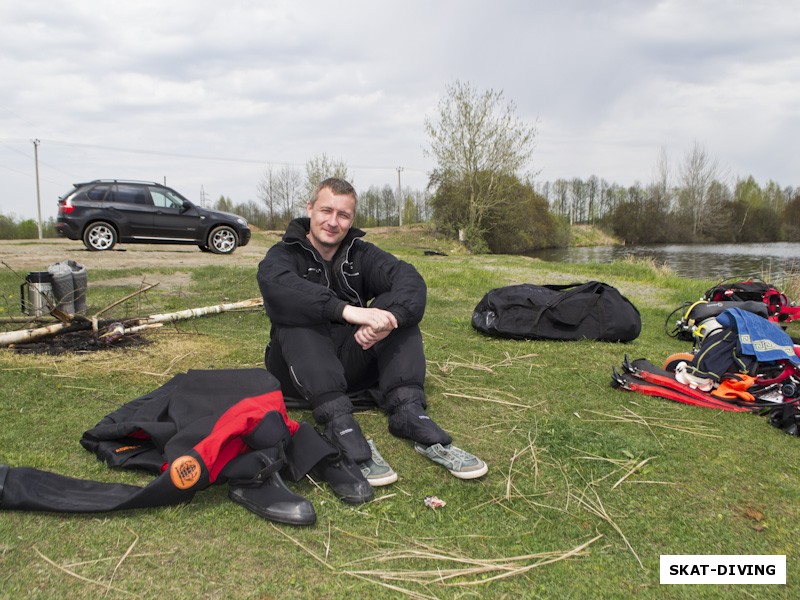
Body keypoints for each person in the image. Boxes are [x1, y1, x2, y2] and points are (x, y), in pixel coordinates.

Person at [257, 177, 487, 494]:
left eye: (344, 215)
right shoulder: (283, 255)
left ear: (352, 220)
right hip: (299, 371)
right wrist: (348, 311)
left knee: (396, 312)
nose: (333, 222)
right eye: (326, 210)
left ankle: (408, 411)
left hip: (350, 362)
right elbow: (278, 287)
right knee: (297, 318)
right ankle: (339, 423)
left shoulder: (361, 254)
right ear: (310, 209)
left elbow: (409, 280)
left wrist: (387, 318)